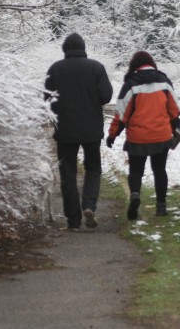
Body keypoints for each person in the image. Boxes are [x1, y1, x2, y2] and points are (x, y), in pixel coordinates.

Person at [44, 33, 113, 231]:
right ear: (84, 48)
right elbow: (106, 96)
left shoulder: (55, 69)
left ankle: (73, 221)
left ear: (64, 49)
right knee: (93, 168)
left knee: (68, 173)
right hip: (91, 128)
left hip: (65, 129)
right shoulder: (96, 68)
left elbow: (47, 100)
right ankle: (89, 205)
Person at [106, 51, 180, 220]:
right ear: (151, 63)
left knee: (136, 171)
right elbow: (174, 108)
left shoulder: (131, 84)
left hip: (137, 137)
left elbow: (121, 113)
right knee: (160, 170)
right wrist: (176, 123)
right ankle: (161, 206)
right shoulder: (164, 81)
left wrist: (112, 135)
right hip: (161, 135)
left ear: (134, 65)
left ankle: (135, 195)